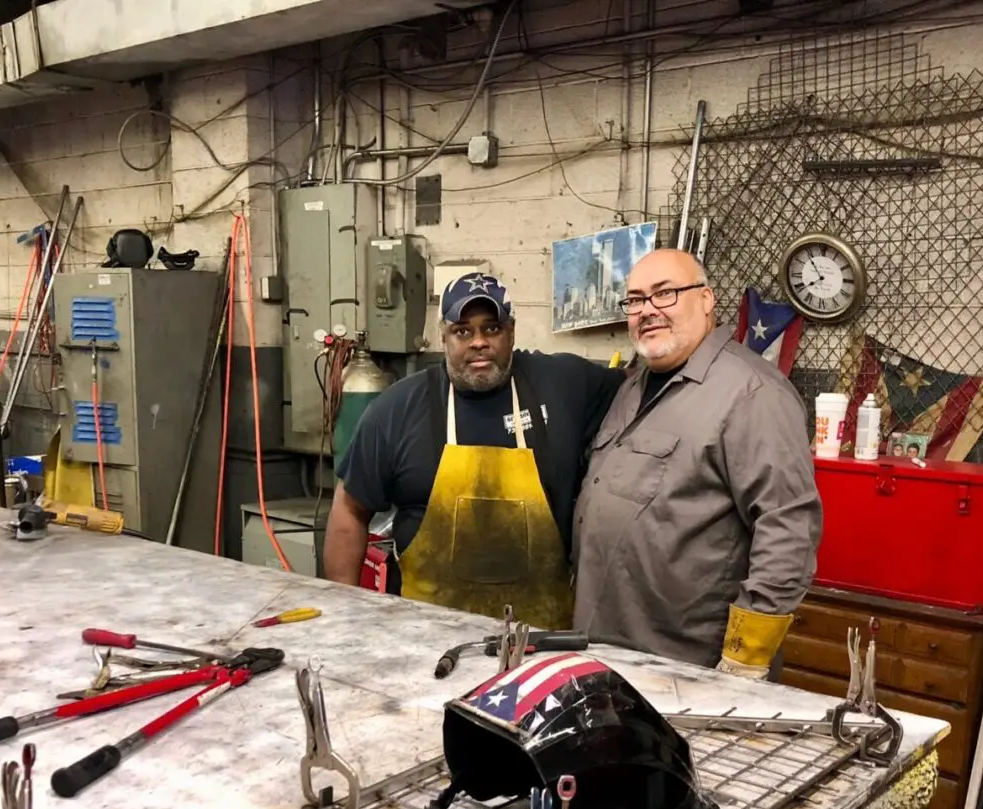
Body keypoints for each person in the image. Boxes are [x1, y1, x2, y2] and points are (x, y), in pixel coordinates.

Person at [572, 249, 822, 680]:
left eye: (664, 294)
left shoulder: (753, 394)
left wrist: (744, 660)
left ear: (707, 300)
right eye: (635, 300)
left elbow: (789, 527)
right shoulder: (634, 388)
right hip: (606, 647)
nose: (647, 310)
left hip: (689, 666)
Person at [324, 273, 625, 629]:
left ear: (511, 331)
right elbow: (349, 512)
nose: (479, 342)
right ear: (444, 336)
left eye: (492, 329)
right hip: (426, 633)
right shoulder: (396, 410)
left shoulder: (564, 383)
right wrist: (344, 617)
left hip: (541, 639)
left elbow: (641, 389)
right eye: (463, 331)